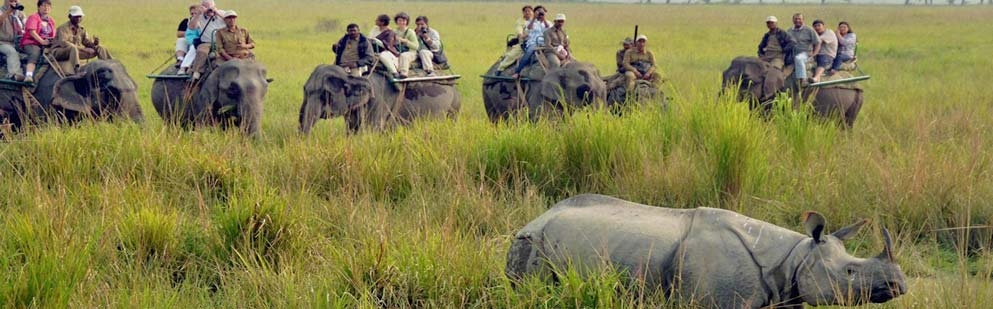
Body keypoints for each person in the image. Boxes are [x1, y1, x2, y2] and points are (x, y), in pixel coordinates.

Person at [51, 5, 112, 75]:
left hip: (75, 52)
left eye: (80, 16)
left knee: (100, 47)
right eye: (76, 16)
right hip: (60, 51)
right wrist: (83, 49)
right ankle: (77, 70)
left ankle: (109, 65)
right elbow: (63, 43)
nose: (78, 18)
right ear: (70, 16)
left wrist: (94, 43)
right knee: (72, 48)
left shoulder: (82, 29)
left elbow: (86, 41)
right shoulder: (63, 28)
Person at [189, 0, 226, 80]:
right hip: (207, 42)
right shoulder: (199, 16)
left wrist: (216, 12)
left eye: (210, 6)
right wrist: (199, 13)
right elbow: (192, 27)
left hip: (222, 42)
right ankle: (196, 72)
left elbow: (230, 22)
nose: (209, 9)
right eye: (206, 6)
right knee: (202, 51)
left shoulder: (222, 13)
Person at [19, 0, 55, 83]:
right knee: (35, 53)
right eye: (44, 6)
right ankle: (29, 75)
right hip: (32, 42)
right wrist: (42, 41)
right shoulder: (33, 17)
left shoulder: (51, 20)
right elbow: (32, 31)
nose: (46, 8)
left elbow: (53, 34)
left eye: (48, 6)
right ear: (39, 7)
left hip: (46, 43)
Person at [511, 5, 550, 79]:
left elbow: (549, 29)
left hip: (545, 43)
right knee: (528, 52)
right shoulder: (530, 22)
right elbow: (529, 28)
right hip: (534, 42)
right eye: (538, 12)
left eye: (542, 12)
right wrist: (534, 18)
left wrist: (544, 19)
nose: (540, 14)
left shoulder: (548, 22)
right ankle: (517, 72)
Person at [496, 5, 533, 72]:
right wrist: (522, 35)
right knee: (511, 56)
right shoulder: (520, 22)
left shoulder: (535, 21)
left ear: (532, 12)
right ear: (523, 13)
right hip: (524, 43)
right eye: (525, 11)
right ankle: (500, 68)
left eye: (529, 11)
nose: (527, 13)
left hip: (537, 43)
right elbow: (519, 31)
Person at [786, 13, 819, 83]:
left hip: (805, 53)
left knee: (798, 58)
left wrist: (814, 54)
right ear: (793, 20)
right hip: (792, 53)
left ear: (803, 20)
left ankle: (803, 79)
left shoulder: (809, 30)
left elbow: (817, 43)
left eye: (799, 19)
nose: (797, 21)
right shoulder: (789, 31)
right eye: (796, 19)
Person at [368, 14, 401, 79]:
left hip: (387, 51)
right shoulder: (375, 28)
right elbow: (369, 37)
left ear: (382, 22)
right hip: (373, 50)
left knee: (383, 55)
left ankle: (394, 72)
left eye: (377, 20)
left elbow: (387, 45)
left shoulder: (389, 32)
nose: (375, 21)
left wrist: (375, 40)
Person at [0, 0, 26, 81]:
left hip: (18, 42)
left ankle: (30, 76)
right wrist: (8, 11)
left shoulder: (19, 14)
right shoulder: (1, 11)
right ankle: (15, 74)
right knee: (11, 52)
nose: (13, 3)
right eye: (11, 1)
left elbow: (27, 24)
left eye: (15, 1)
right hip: (2, 42)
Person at [176, 5, 203, 75]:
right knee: (182, 41)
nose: (194, 15)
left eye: (196, 13)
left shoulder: (205, 20)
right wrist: (188, 33)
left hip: (203, 40)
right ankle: (180, 60)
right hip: (193, 40)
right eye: (192, 13)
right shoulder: (187, 21)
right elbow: (179, 33)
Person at [392, 12, 419, 79]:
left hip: (410, 52)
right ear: (396, 21)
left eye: (404, 21)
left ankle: (403, 73)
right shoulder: (394, 31)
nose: (402, 22)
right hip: (397, 51)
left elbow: (416, 46)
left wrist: (405, 41)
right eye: (400, 20)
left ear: (407, 22)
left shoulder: (410, 32)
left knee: (404, 56)